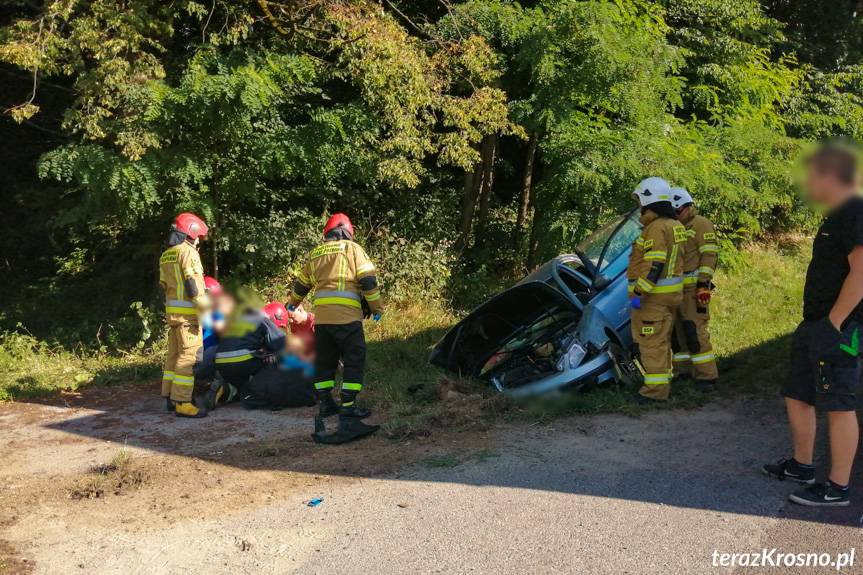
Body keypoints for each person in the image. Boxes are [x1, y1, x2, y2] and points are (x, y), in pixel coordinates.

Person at [763, 142, 863, 507]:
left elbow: (862, 272)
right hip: (816, 322)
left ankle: (837, 488)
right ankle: (801, 466)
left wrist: (834, 324)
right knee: (798, 393)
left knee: (838, 403)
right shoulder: (835, 215)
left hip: (841, 326)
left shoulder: (856, 210)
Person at [289, 212, 384, 442]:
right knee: (353, 359)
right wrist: (377, 308)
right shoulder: (353, 249)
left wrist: (292, 304)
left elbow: (301, 285)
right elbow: (368, 281)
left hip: (322, 320)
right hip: (348, 318)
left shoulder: (316, 253)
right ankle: (348, 407)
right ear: (348, 232)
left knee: (325, 361)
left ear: (328, 232)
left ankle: (326, 404)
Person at [626, 177, 688, 403]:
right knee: (661, 342)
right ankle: (662, 386)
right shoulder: (675, 226)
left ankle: (654, 392)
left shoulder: (655, 228)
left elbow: (654, 265)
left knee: (651, 343)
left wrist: (638, 294)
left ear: (648, 200)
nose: (639, 206)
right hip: (670, 296)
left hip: (653, 299)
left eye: (640, 201)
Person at [159, 212, 211, 418]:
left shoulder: (166, 254)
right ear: (191, 232)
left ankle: (170, 397)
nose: (199, 241)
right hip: (188, 317)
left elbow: (163, 287)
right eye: (199, 236)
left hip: (173, 317)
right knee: (189, 358)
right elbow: (194, 286)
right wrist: (206, 311)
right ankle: (182, 402)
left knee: (173, 357)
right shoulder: (188, 253)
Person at [669, 188, 720, 391]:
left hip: (695, 290)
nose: (676, 215)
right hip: (677, 290)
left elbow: (709, 256)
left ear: (688, 206)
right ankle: (683, 371)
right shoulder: (674, 227)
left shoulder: (701, 224)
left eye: (678, 210)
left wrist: (703, 284)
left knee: (695, 331)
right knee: (678, 334)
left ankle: (707, 377)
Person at [213, 302, 287, 392]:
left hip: (221, 364)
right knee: (272, 358)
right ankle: (268, 391)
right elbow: (282, 344)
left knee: (243, 391)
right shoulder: (263, 320)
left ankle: (226, 390)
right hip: (241, 362)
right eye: (278, 326)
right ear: (275, 318)